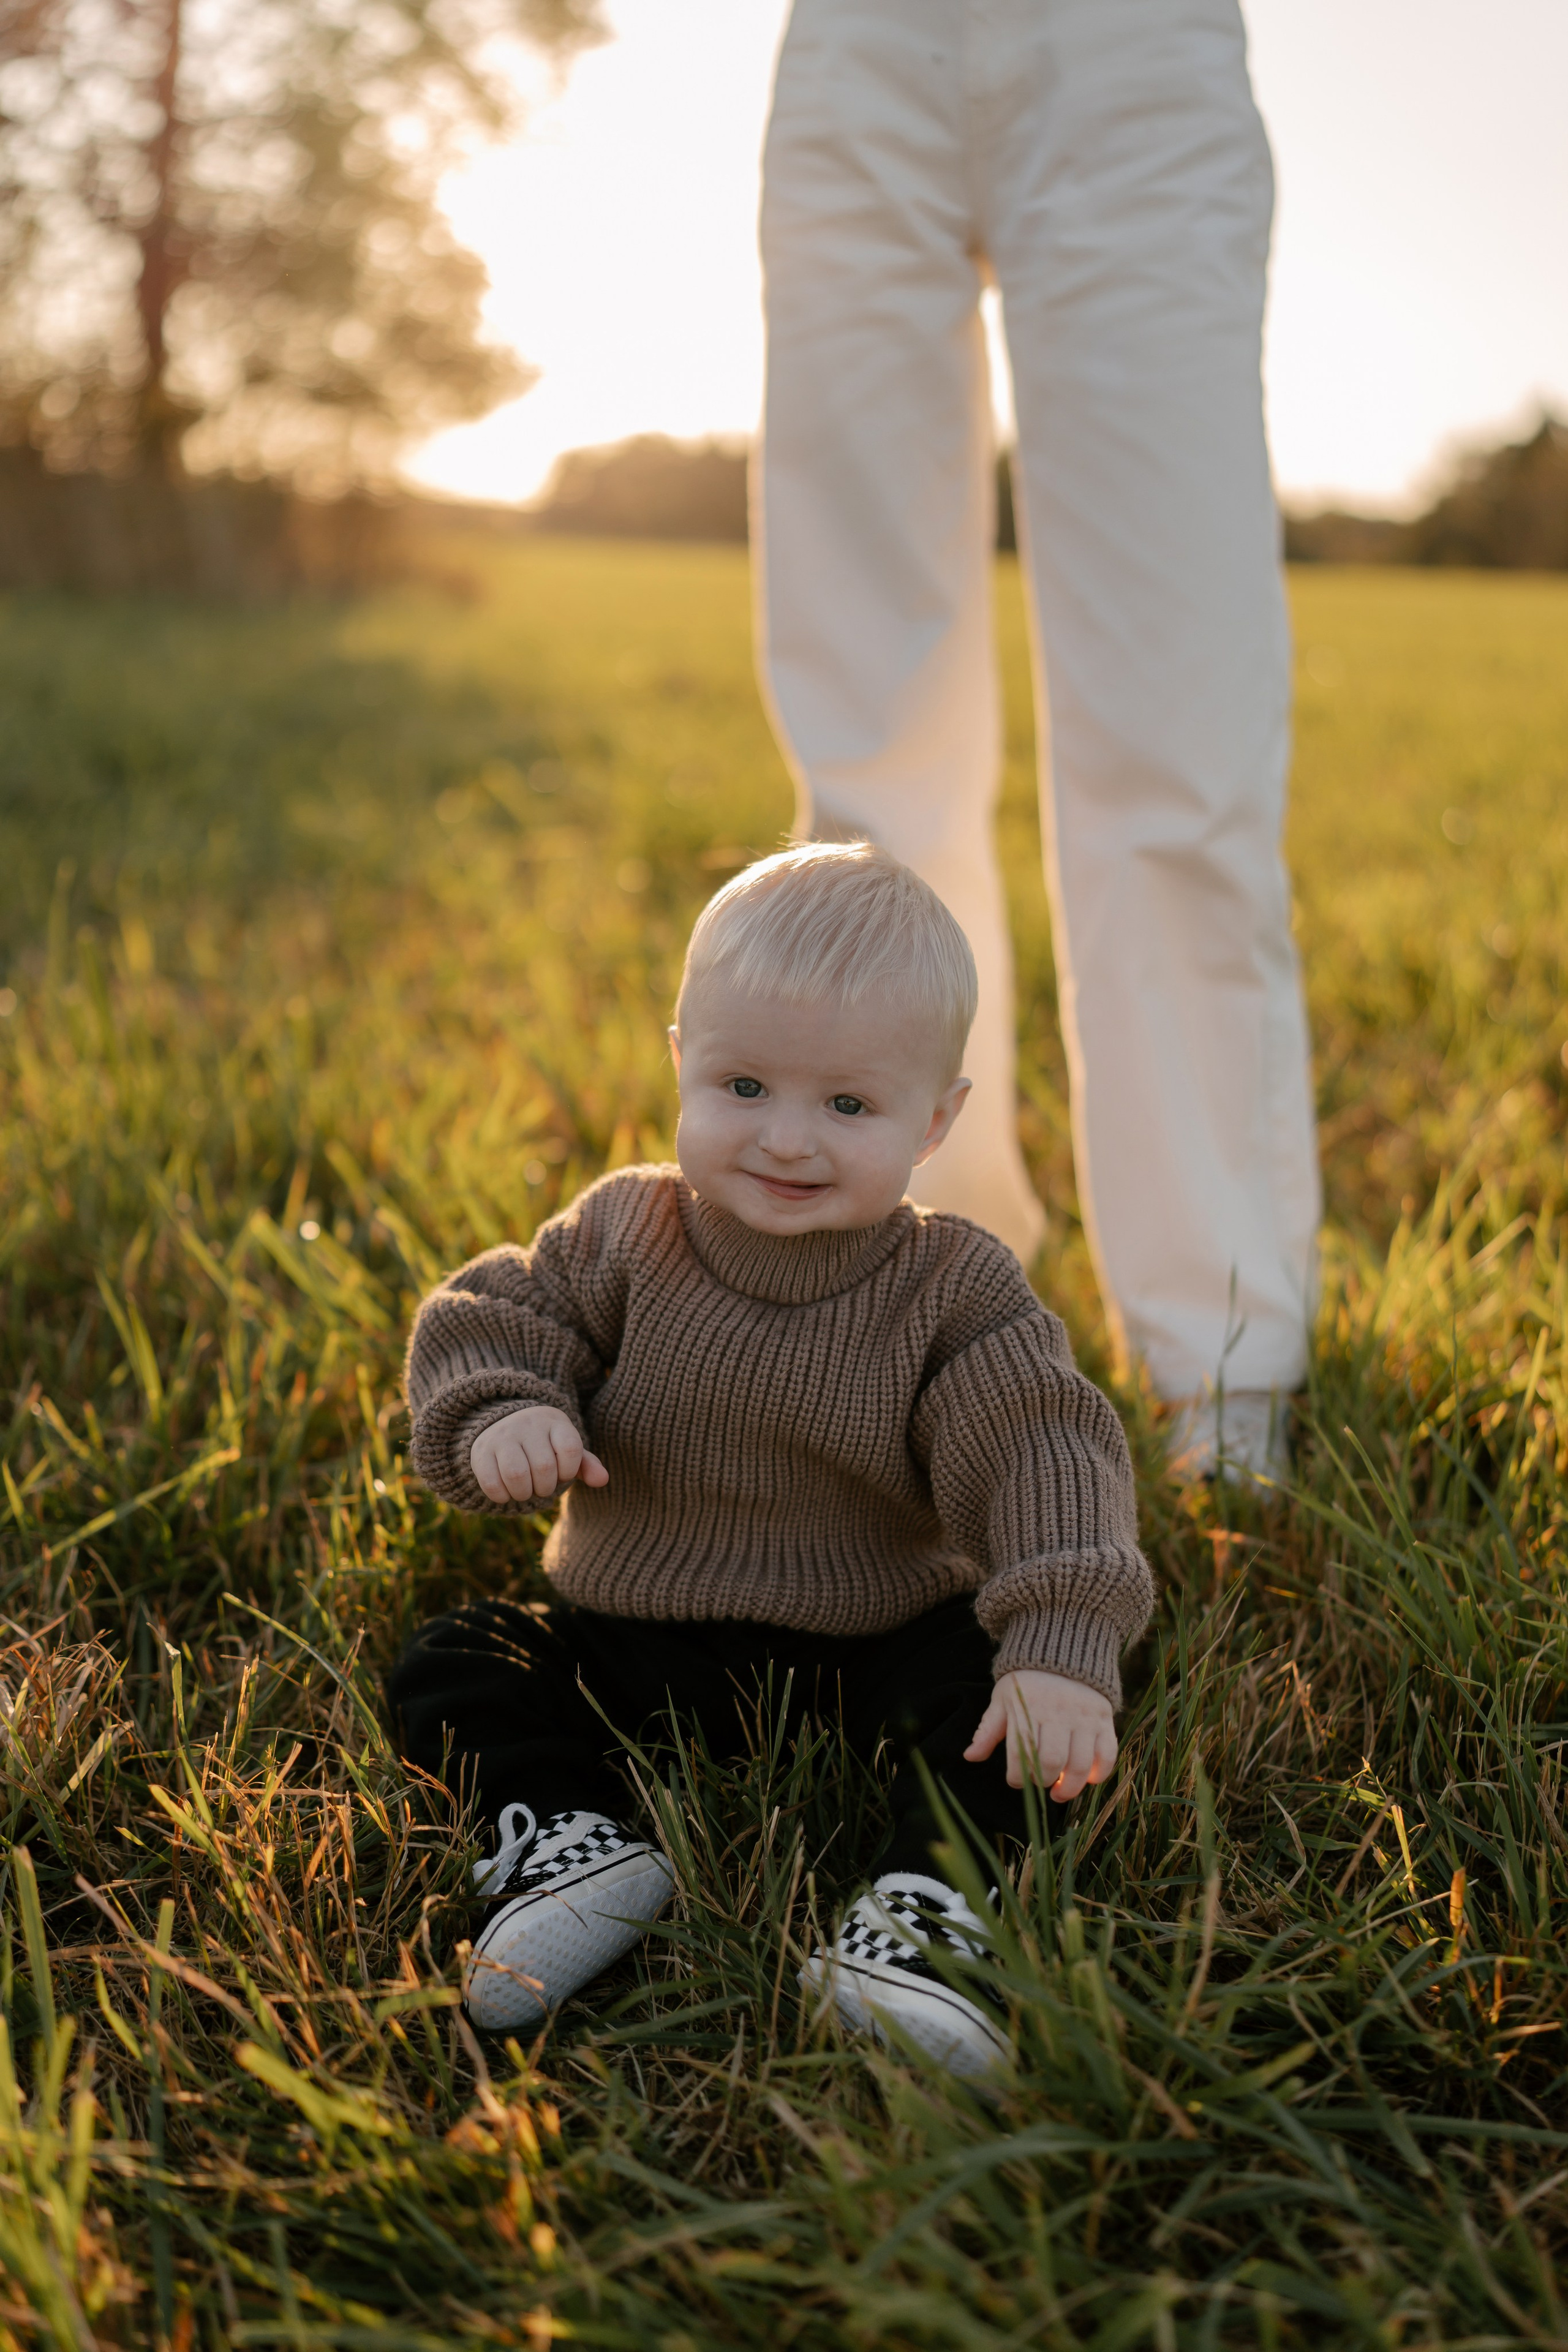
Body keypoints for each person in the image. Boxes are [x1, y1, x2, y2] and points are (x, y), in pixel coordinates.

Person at [391, 843, 1151, 2079]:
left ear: (936, 1118)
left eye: (847, 1107)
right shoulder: (626, 1231)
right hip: (635, 1628)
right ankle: (576, 1851)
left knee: (1018, 1720)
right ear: (680, 1056)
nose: (786, 1141)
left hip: (874, 1643)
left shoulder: (952, 1289)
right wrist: (500, 1413)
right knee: (460, 1661)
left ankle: (921, 1916)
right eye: (743, 1086)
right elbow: (495, 1317)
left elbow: (1042, 1452)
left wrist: (1060, 1639)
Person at [754, 0, 1321, 1477]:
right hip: (857, 50)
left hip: (1127, 54)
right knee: (866, 772)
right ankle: (904, 1285)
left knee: (1174, 758)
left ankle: (1218, 1367)